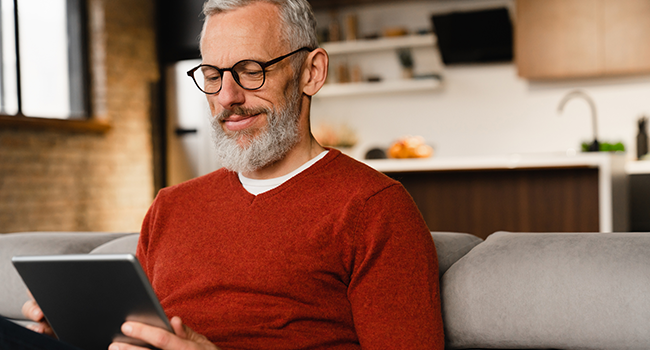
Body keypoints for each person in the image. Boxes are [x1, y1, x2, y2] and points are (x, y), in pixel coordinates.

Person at [17, 0, 444, 349]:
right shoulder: (172, 205)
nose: (227, 97)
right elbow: (139, 330)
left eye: (251, 70)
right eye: (211, 74)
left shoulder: (375, 208)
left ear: (311, 72)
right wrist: (82, 330)